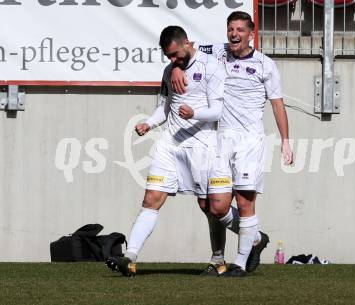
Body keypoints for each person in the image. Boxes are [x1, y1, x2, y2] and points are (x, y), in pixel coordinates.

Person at [171, 11, 294, 277]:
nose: (234, 34)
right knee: (215, 206)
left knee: (245, 201)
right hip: (219, 139)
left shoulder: (265, 64)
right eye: (231, 29)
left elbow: (277, 104)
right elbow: (183, 49)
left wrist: (286, 141)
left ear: (251, 33)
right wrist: (178, 66)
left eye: (240, 29)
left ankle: (238, 262)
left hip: (249, 140)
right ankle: (256, 239)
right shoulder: (216, 51)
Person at [105, 25, 226, 276]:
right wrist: (148, 123)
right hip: (170, 144)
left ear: (186, 43)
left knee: (209, 206)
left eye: (175, 55)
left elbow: (218, 110)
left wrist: (195, 113)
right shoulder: (170, 70)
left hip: (202, 144)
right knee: (151, 199)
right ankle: (130, 257)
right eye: (168, 57)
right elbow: (166, 107)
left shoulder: (211, 67)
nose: (173, 60)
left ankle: (224, 255)